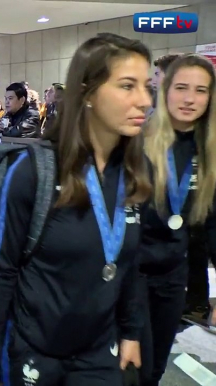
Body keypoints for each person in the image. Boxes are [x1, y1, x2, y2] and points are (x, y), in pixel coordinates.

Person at [0, 33, 152, 386]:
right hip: (37, 354)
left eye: (146, 85)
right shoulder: (34, 171)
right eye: (128, 86)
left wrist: (131, 331)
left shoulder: (133, 172)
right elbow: (3, 270)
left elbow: (127, 266)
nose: (144, 99)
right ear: (88, 93)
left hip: (101, 353)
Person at [139, 53, 216, 386]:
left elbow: (214, 225)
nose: (190, 98)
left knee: (154, 368)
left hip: (173, 278)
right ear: (165, 89)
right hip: (128, 275)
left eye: (201, 90)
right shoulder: (136, 141)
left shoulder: (210, 149)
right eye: (181, 87)